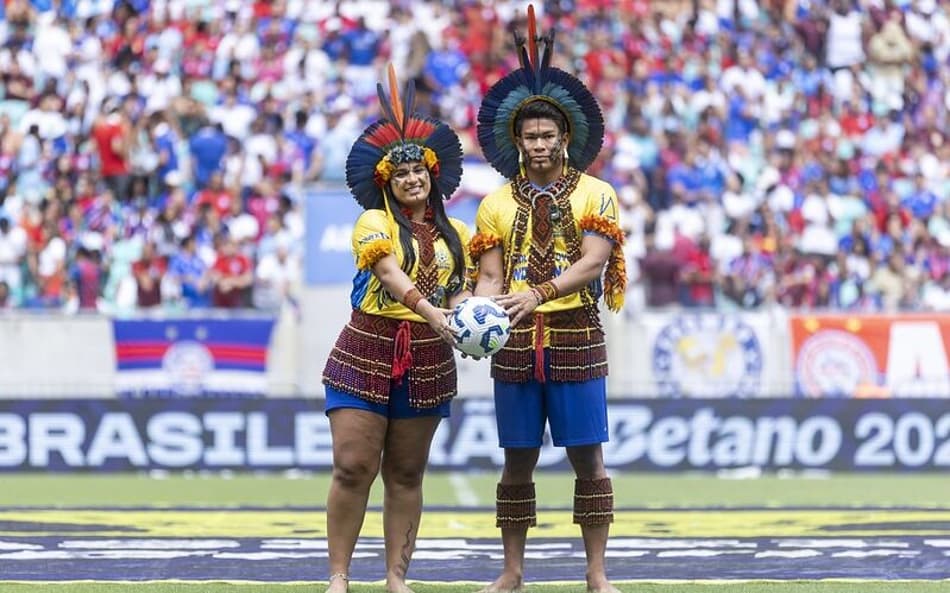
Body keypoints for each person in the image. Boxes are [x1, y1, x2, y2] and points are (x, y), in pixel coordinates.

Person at [469, 7, 625, 593]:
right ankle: (511, 571)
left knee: (589, 460)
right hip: (514, 339)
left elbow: (594, 263)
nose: (538, 144)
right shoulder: (493, 203)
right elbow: (488, 275)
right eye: (529, 136)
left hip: (575, 335)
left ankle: (596, 571)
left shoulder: (596, 193)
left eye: (547, 134)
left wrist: (538, 292)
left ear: (565, 137)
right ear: (517, 140)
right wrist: (476, 317)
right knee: (517, 462)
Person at [320, 67, 470, 593]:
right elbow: (389, 273)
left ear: (432, 176)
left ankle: (395, 577)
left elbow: (461, 294)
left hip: (429, 357)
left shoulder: (460, 235)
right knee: (353, 465)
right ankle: (338, 575)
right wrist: (435, 313)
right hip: (367, 347)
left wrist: (471, 319)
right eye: (400, 174)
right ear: (385, 181)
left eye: (419, 172)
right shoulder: (371, 223)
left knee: (406, 473)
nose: (411, 179)